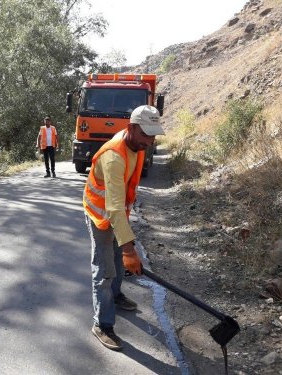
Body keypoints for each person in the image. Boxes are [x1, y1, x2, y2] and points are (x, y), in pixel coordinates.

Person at [83, 105, 165, 351]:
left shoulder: (136, 145)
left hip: (117, 212)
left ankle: (116, 296)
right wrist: (131, 251)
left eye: (153, 135)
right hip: (100, 215)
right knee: (105, 270)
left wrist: (126, 248)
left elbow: (120, 203)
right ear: (131, 128)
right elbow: (113, 209)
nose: (149, 141)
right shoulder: (113, 156)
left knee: (119, 260)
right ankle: (102, 325)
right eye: (146, 135)